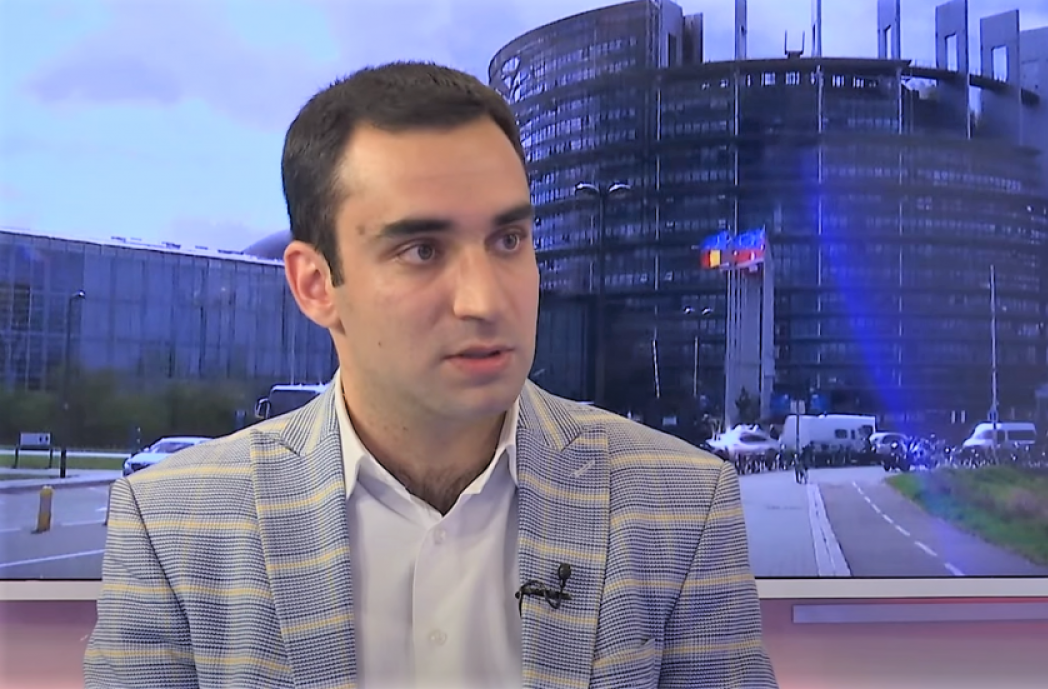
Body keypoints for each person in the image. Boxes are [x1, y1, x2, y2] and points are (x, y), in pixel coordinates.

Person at [84, 62, 778, 689]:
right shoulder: (173, 525)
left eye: (508, 240)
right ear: (316, 284)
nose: (484, 299)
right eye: (422, 250)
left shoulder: (683, 505)